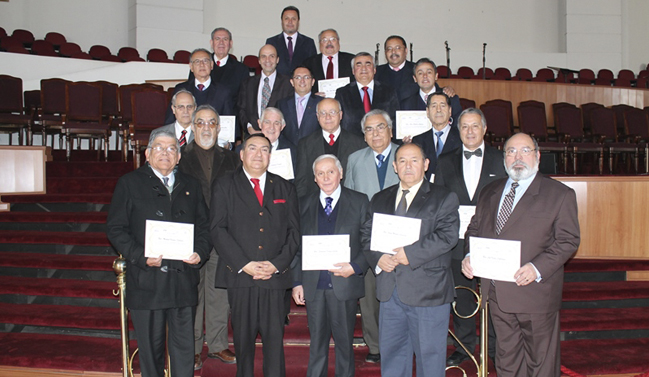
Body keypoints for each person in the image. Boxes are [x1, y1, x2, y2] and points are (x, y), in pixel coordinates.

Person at [462, 133, 580, 377]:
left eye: (524, 150)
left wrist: (536, 268)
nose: (517, 157)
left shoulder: (559, 194)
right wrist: (469, 256)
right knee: (507, 362)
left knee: (541, 364)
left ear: (537, 155)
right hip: (497, 296)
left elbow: (568, 240)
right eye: (510, 151)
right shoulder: (489, 191)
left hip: (534, 294)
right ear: (503, 158)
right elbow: (474, 229)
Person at [106, 129, 211, 377]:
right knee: (150, 353)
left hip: (183, 281)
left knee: (185, 350)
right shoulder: (129, 183)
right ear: (147, 153)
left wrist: (200, 252)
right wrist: (141, 256)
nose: (166, 153)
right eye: (160, 148)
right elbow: (115, 229)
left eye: (172, 148)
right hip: (147, 282)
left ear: (178, 157)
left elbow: (205, 227)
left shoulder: (191, 185)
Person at [361, 142, 460, 377]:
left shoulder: (443, 197)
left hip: (428, 293)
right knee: (393, 357)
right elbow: (366, 234)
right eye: (402, 161)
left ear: (426, 164)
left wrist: (410, 254)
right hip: (389, 291)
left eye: (414, 160)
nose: (408, 166)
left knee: (430, 359)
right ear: (394, 166)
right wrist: (378, 258)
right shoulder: (380, 198)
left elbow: (447, 237)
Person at [211, 133, 300, 377]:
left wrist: (276, 265)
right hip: (240, 278)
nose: (258, 154)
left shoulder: (285, 187)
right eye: (252, 148)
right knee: (243, 344)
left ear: (270, 156)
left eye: (264, 149)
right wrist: (244, 264)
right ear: (241, 154)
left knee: (274, 344)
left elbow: (294, 233)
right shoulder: (224, 185)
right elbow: (217, 230)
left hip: (274, 279)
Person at [434, 108, 506, 366]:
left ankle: (496, 347)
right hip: (456, 242)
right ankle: (464, 346)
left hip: (493, 242)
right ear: (458, 130)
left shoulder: (501, 159)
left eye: (475, 126)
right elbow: (439, 200)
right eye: (464, 127)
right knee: (462, 295)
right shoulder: (445, 161)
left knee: (494, 297)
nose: (470, 131)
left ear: (485, 129)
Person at [292, 154, 369, 377]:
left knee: (345, 346)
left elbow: (369, 242)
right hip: (313, 286)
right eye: (320, 173)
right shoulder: (303, 203)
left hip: (343, 286)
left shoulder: (359, 201)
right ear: (314, 178)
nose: (326, 177)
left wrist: (355, 267)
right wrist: (297, 282)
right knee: (317, 346)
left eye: (331, 172)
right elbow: (296, 247)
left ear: (341, 174)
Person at [177, 105, 240, 369]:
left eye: (211, 123)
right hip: (190, 236)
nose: (206, 128)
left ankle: (217, 345)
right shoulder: (179, 156)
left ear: (218, 127)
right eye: (200, 123)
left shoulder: (232, 158)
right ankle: (191, 348)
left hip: (222, 234)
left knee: (218, 292)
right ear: (193, 127)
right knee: (192, 293)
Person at [343, 109, 400, 363]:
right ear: (363, 135)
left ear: (390, 130)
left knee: (400, 295)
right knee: (368, 298)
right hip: (367, 241)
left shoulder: (406, 155)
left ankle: (399, 343)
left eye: (380, 127)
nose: (375, 133)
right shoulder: (355, 159)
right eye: (369, 129)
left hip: (401, 240)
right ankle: (375, 345)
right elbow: (349, 199)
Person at [294, 98, 365, 198]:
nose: (328, 117)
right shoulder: (305, 144)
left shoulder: (358, 143)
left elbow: (361, 180)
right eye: (323, 113)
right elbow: (301, 182)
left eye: (332, 112)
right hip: (316, 206)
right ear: (317, 117)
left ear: (340, 115)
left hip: (349, 204)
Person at [335, 52, 400, 138]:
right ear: (353, 71)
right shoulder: (342, 93)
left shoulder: (388, 91)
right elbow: (337, 122)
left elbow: (395, 120)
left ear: (374, 70)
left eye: (368, 64)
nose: (363, 68)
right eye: (359, 65)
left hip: (382, 142)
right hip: (353, 145)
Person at [188, 27, 250, 113]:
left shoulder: (241, 70)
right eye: (217, 39)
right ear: (211, 43)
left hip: (228, 118)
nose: (221, 43)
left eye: (225, 39)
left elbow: (243, 102)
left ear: (231, 43)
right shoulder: (199, 66)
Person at [238, 44, 294, 137]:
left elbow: (290, 113)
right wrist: (249, 127)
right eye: (264, 56)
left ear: (277, 60)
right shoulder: (247, 83)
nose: (267, 60)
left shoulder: (288, 84)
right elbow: (241, 109)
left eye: (272, 56)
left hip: (278, 138)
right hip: (252, 136)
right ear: (259, 60)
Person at [166, 48, 233, 124]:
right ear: (191, 67)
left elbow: (229, 124)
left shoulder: (223, 92)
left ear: (211, 65)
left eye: (205, 61)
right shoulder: (180, 89)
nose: (202, 65)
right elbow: (170, 121)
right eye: (197, 62)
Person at [411, 92, 462, 179]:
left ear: (450, 111)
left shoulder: (461, 138)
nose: (438, 110)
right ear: (427, 112)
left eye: (442, 105)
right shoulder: (417, 141)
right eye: (434, 106)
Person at [277, 66, 322, 146]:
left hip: (314, 150)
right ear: (292, 82)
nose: (302, 81)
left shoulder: (321, 103)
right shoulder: (281, 104)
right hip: (289, 151)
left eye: (306, 77)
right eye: (298, 77)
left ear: (313, 82)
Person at [265, 6, 317, 76]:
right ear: (281, 21)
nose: (290, 22)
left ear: (298, 21)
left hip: (301, 84)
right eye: (286, 19)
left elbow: (313, 68)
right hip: (278, 85)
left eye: (293, 19)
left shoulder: (308, 42)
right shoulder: (272, 42)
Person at [302, 29, 355, 94]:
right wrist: (313, 96)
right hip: (319, 102)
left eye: (333, 39)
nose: (329, 43)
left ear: (338, 42)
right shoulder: (309, 63)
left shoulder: (351, 60)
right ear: (319, 44)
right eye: (324, 40)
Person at [375, 35, 418, 101]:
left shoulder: (417, 70)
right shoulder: (376, 72)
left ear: (406, 51)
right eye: (389, 49)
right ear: (385, 53)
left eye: (397, 48)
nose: (393, 52)